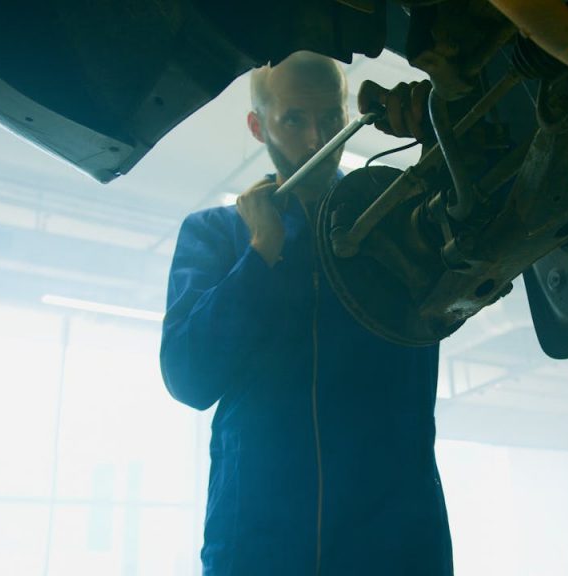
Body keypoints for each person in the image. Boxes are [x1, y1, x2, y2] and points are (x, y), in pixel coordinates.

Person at [159, 51, 453, 575]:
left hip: (396, 541)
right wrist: (261, 252)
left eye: (330, 119)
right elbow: (189, 378)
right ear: (257, 125)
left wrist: (444, 142)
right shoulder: (215, 235)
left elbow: (474, 267)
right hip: (257, 545)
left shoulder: (399, 219)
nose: (317, 140)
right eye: (294, 120)